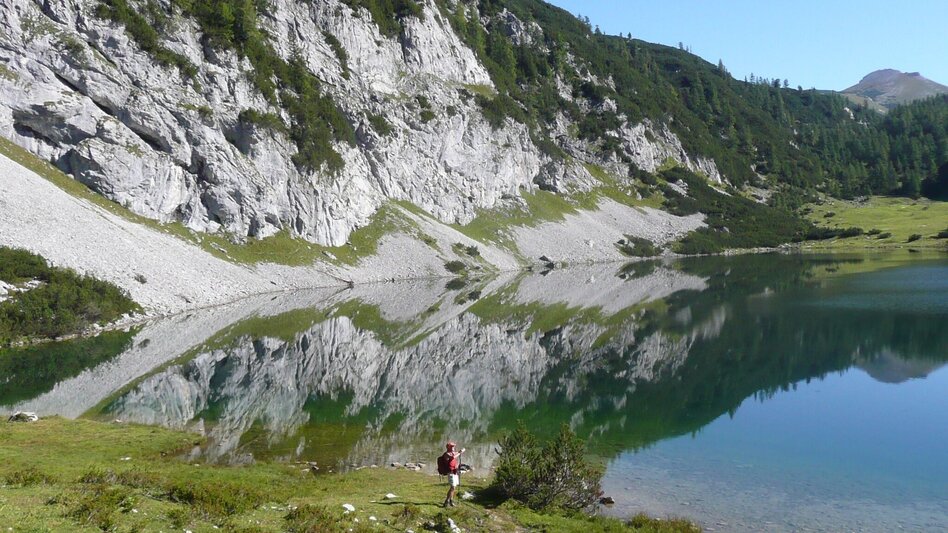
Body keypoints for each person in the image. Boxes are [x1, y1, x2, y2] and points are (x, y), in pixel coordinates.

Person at [441, 441, 465, 507]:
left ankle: (451, 501)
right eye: (451, 446)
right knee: (452, 487)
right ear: (448, 447)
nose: (453, 448)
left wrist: (461, 451)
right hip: (450, 472)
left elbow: (456, 453)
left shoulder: (453, 453)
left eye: (453, 446)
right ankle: (446, 501)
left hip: (455, 472)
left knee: (454, 487)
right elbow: (452, 457)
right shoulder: (446, 454)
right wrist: (460, 452)